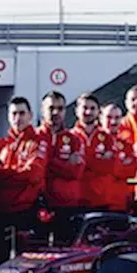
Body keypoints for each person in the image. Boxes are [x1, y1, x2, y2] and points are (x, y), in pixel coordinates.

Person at [0, 97, 48, 268]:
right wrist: (15, 174)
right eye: (14, 114)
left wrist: (1, 173)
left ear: (30, 116)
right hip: (1, 212)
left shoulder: (37, 142)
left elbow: (33, 174)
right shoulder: (3, 144)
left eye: (22, 113)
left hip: (26, 212)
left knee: (28, 265)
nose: (17, 118)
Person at [40, 90, 86, 240]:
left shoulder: (74, 140)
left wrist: (48, 161)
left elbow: (76, 172)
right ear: (42, 110)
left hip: (67, 206)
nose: (55, 112)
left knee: (65, 254)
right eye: (51, 108)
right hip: (39, 204)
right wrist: (63, 164)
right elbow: (36, 169)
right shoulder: (34, 137)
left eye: (60, 108)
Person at [80, 103, 137, 213]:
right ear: (100, 117)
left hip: (120, 203)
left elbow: (132, 170)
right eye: (109, 117)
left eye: (117, 118)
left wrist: (107, 164)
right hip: (95, 200)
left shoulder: (126, 144)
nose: (113, 122)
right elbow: (87, 165)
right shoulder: (91, 140)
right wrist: (119, 164)